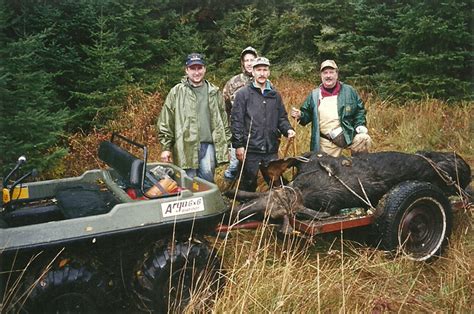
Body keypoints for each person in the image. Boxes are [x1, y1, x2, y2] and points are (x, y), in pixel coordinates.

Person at [157, 53, 231, 183]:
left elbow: (223, 120)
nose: (196, 72)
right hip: (185, 146)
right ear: (186, 70)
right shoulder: (176, 92)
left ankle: (208, 204)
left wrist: (228, 146)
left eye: (199, 68)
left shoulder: (214, 92)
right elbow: (166, 121)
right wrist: (165, 148)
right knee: (187, 183)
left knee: (207, 182)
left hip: (208, 145)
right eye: (193, 68)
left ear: (204, 69)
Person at [231, 56, 296, 192]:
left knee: (277, 184)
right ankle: (243, 210)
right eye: (258, 70)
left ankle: (278, 210)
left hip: (270, 149)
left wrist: (288, 130)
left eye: (265, 70)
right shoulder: (243, 94)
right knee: (248, 184)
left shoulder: (275, 95)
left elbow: (281, 119)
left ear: (269, 72)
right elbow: (237, 121)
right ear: (253, 72)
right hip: (250, 149)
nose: (262, 73)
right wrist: (239, 146)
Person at [290, 59, 371, 157]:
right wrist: (300, 115)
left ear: (336, 74)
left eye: (331, 72)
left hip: (348, 134)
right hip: (326, 140)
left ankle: (360, 167)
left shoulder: (349, 91)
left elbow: (359, 110)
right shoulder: (314, 95)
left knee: (364, 138)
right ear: (321, 76)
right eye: (325, 73)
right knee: (326, 169)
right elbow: (306, 115)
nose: (328, 76)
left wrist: (360, 125)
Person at [222, 46, 258, 181]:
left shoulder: (263, 81)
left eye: (252, 60)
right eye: (246, 60)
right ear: (242, 63)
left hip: (256, 134)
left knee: (252, 168)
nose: (249, 63)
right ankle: (227, 193)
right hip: (237, 134)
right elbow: (224, 108)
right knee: (234, 166)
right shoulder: (233, 82)